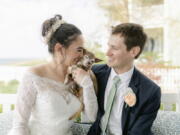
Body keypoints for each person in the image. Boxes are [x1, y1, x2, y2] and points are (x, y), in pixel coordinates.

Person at [8, 15, 98, 135]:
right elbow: (20, 124)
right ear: (60, 49)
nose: (82, 55)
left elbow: (92, 116)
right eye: (79, 50)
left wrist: (87, 83)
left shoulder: (79, 77)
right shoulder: (33, 76)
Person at [88, 23, 161, 135]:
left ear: (134, 51)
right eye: (108, 46)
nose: (107, 53)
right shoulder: (94, 73)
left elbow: (138, 132)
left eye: (114, 48)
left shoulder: (150, 91)